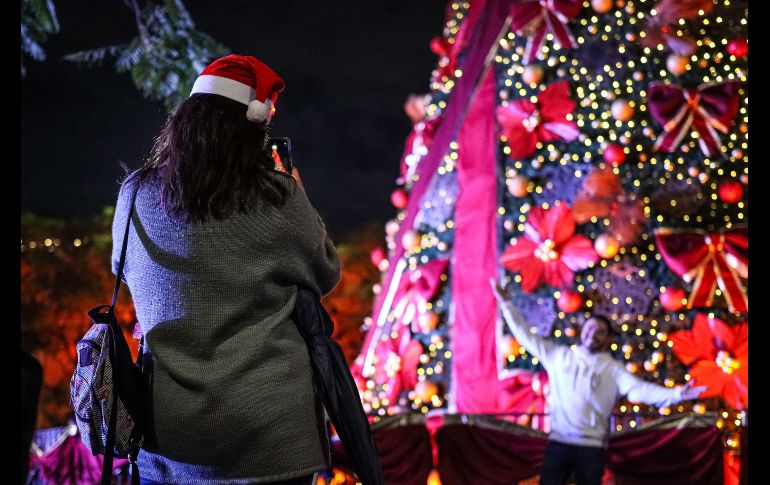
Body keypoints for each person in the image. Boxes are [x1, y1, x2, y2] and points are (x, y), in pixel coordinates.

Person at [111, 54, 341, 485]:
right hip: (273, 439)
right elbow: (326, 271)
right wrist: (296, 191)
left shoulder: (135, 192)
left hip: (170, 438)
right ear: (252, 129)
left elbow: (123, 270)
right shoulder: (277, 195)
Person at [490, 279, 705, 485]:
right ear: (582, 332)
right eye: (590, 328)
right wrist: (506, 304)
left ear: (607, 339)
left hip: (590, 448)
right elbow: (526, 336)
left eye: (601, 332)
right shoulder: (558, 356)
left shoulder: (612, 369)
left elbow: (640, 390)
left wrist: (676, 395)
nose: (594, 334)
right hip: (558, 444)